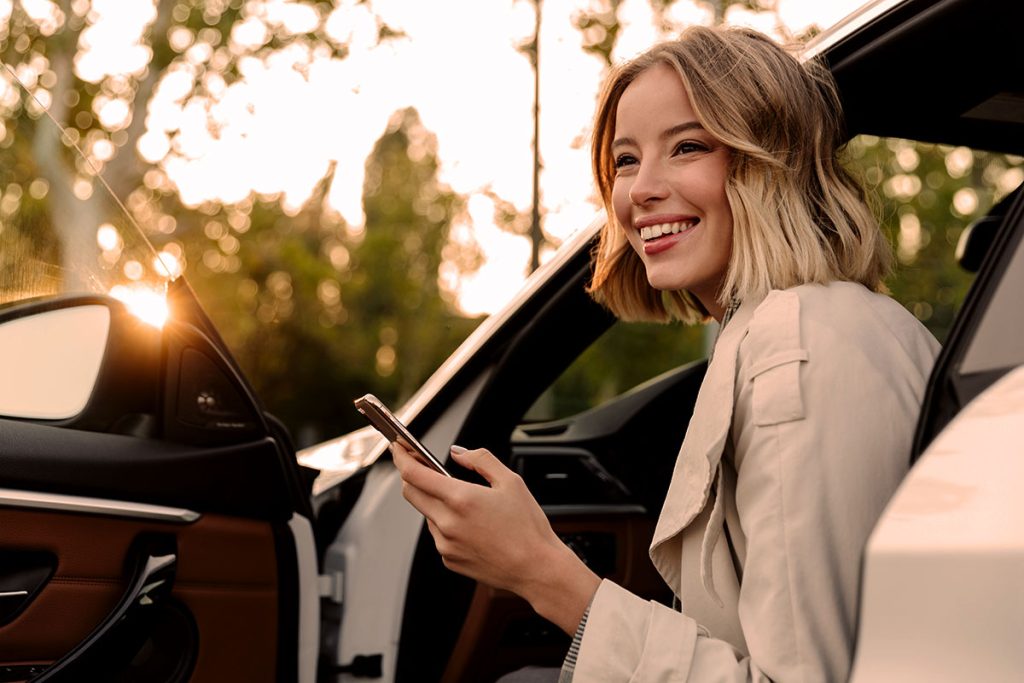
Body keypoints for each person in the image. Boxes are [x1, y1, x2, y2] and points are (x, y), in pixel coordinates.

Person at [391, 25, 940, 682]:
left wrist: (541, 570)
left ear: (771, 163)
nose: (640, 190)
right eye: (625, 160)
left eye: (687, 146)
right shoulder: (807, 325)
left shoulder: (799, 344)